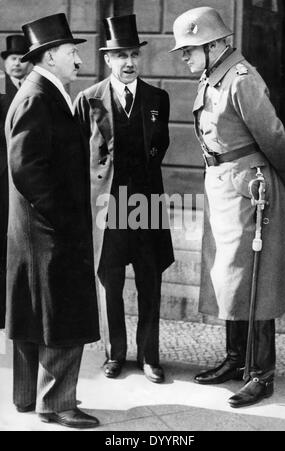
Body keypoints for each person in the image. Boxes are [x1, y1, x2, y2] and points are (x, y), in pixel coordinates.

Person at [170, 6, 285, 408]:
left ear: (215, 46)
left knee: (254, 281)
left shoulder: (242, 79)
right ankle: (234, 358)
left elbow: (273, 136)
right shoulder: (214, 76)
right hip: (223, 187)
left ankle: (261, 373)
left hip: (249, 191)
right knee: (229, 277)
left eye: (190, 50)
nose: (185, 57)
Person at [5, 13, 100, 428]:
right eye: (71, 51)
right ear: (49, 56)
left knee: (31, 315)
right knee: (61, 315)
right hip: (49, 231)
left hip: (37, 231)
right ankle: (58, 404)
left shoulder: (42, 90)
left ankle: (28, 397)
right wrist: (63, 220)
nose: (78, 59)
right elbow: (27, 168)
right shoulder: (37, 96)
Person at [75, 14, 174, 384]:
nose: (129, 62)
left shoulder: (157, 98)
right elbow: (78, 154)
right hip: (107, 205)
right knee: (110, 280)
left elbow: (160, 145)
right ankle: (115, 354)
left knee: (150, 279)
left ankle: (150, 356)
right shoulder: (88, 99)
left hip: (145, 203)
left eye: (133, 54)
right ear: (108, 60)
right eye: (121, 56)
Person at [0, 35, 30, 330]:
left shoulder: (34, 89)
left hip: (22, 173)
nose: (18, 63)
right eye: (12, 59)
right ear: (4, 62)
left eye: (22, 58)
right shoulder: (0, 87)